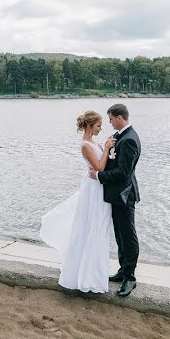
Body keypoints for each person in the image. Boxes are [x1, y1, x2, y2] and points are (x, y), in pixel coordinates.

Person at [39, 110, 114, 293]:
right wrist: (106, 149)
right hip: (93, 188)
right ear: (89, 126)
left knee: (97, 226)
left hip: (97, 186)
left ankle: (94, 269)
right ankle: (86, 273)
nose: (100, 128)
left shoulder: (93, 142)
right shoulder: (86, 145)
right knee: (91, 226)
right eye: (98, 125)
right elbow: (99, 167)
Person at [89, 103, 141, 297]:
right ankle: (122, 270)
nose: (109, 123)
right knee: (120, 235)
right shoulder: (120, 137)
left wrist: (99, 176)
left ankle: (130, 278)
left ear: (119, 118)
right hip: (117, 195)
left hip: (125, 195)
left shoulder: (129, 140)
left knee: (128, 236)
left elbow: (123, 172)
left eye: (110, 119)